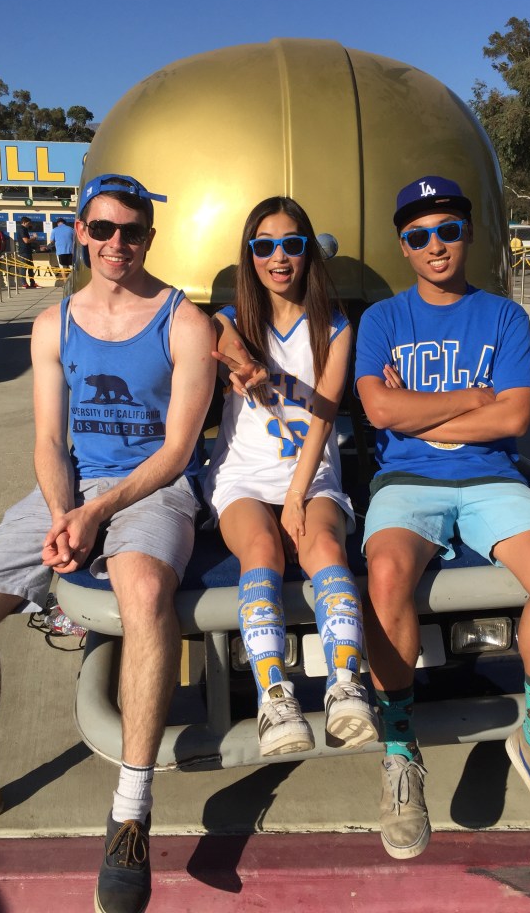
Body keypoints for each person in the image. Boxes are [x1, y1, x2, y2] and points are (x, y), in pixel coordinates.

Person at [0, 174, 216, 913]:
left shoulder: (184, 324)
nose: (118, 244)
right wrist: (61, 511)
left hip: (151, 488)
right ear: (81, 230)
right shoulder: (54, 325)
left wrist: (98, 511)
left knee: (145, 595)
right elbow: (48, 438)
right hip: (69, 487)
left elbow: (177, 452)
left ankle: (132, 812)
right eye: (104, 230)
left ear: (149, 236)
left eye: (132, 232)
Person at [355, 175, 530, 860]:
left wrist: (423, 409)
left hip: (493, 479)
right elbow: (378, 413)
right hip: (407, 481)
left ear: (468, 234)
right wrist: (469, 399)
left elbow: (515, 415)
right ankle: (401, 753)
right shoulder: (384, 320)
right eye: (419, 234)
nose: (435, 245)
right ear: (404, 245)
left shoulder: (504, 317)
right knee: (387, 574)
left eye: (448, 229)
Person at [203, 196, 378, 758]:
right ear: (250, 255)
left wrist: (299, 497)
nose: (279, 257)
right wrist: (240, 363)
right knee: (262, 549)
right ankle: (273, 698)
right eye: (264, 246)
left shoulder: (334, 326)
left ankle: (347, 686)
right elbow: (214, 330)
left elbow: (324, 417)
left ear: (308, 252)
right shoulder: (237, 318)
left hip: (312, 471)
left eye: (291, 244)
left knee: (324, 544)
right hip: (243, 478)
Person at [17, 217, 41, 288]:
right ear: (24, 222)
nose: (29, 224)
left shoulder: (25, 229)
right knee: (24, 268)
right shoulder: (21, 229)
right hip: (24, 251)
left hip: (28, 251)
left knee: (30, 267)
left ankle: (32, 283)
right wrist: (34, 237)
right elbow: (26, 241)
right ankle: (24, 283)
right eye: (28, 223)